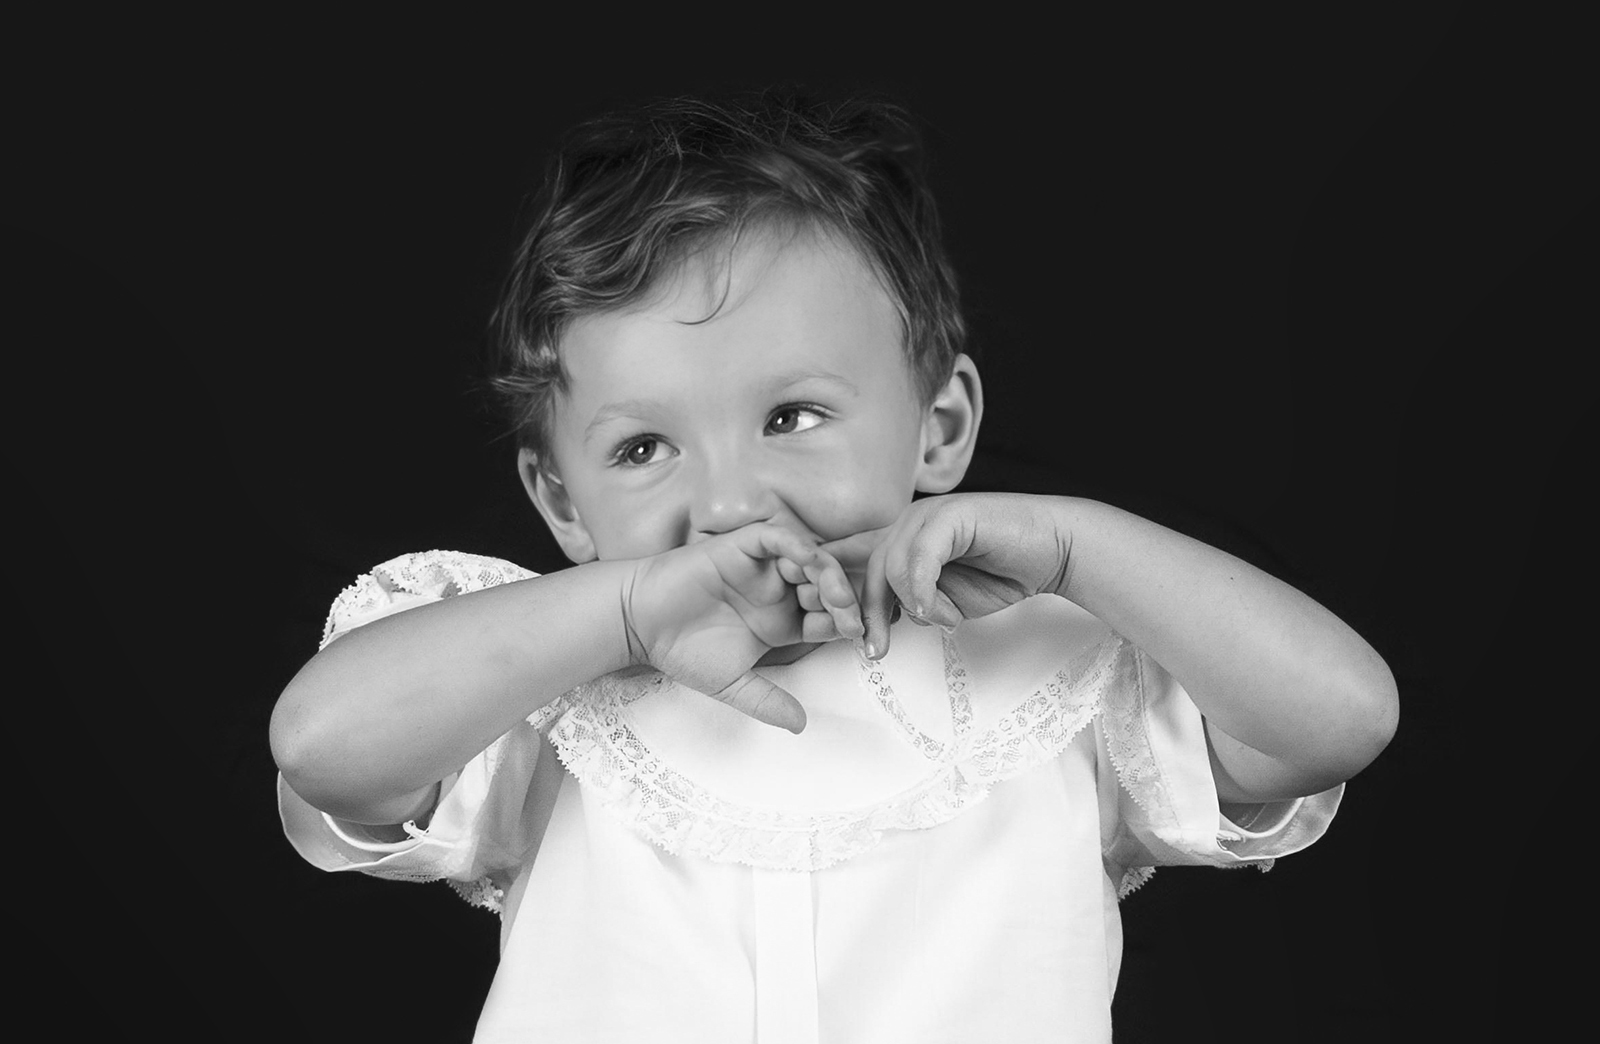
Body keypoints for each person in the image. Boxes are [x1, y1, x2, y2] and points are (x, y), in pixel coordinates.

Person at [270, 89, 1398, 1043]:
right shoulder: (535, 676)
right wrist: (618, 616)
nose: (724, 499)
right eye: (642, 447)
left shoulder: (1052, 665)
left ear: (940, 427)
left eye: (794, 415)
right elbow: (325, 753)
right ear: (563, 502)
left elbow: (1335, 718)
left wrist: (1075, 545)